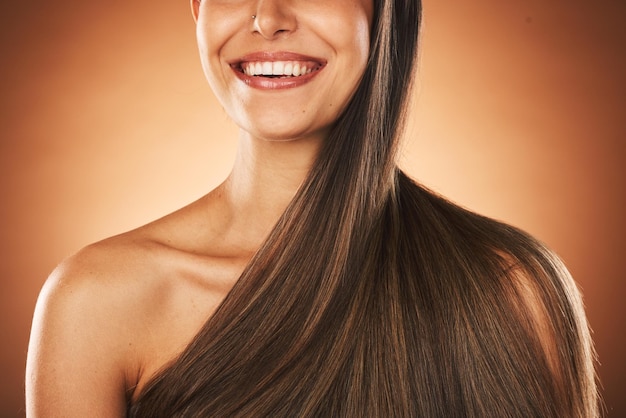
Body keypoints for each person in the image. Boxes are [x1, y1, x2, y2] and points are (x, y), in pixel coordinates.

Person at [25, 0, 599, 416]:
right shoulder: (94, 304)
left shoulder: (511, 287)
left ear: (383, 12)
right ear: (196, 10)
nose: (268, 16)